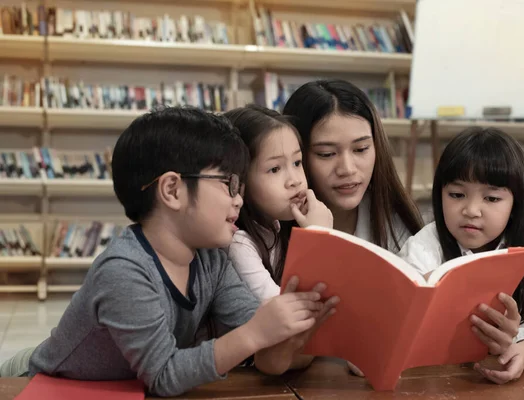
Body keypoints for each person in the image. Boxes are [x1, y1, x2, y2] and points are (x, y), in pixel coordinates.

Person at [0, 107, 337, 397]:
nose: (238, 199)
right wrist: (254, 334)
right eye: (228, 184)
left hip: (122, 386)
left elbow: (265, 351)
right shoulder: (124, 271)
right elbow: (164, 375)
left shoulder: (212, 260)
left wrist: (290, 334)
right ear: (173, 190)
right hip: (48, 381)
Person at [399, 127, 524, 384]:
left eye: (491, 198)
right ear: (439, 195)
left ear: (516, 203)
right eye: (456, 195)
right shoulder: (425, 245)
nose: (471, 210)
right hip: (435, 379)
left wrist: (523, 350)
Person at [283, 79, 424, 375]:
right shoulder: (271, 229)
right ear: (297, 157)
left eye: (361, 149)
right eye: (326, 154)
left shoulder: (393, 218)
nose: (347, 168)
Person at [224, 104, 333, 301]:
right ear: (239, 180)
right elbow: (284, 309)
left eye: (297, 163)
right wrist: (319, 237)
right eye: (275, 169)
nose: (295, 180)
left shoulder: (275, 227)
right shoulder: (239, 245)